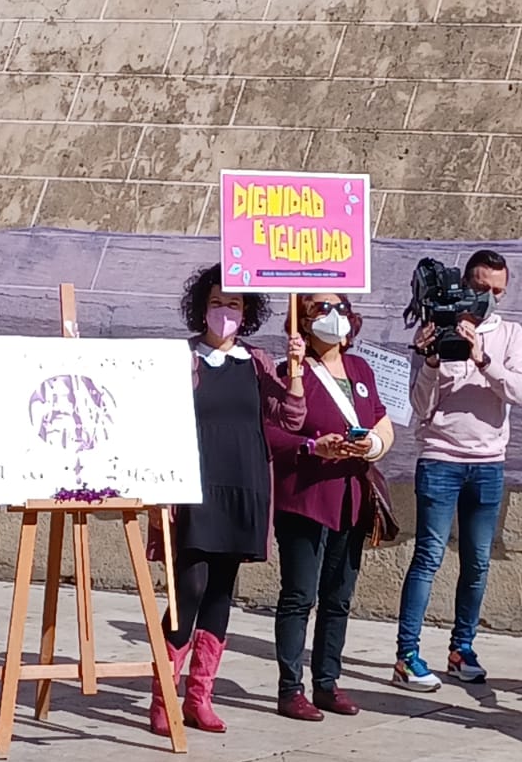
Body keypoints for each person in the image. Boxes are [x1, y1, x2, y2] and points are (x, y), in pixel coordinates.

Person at [148, 265, 307, 737]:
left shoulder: (256, 361)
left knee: (221, 592)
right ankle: (162, 694)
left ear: (247, 312)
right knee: (188, 592)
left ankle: (200, 696)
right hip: (195, 489)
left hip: (244, 485)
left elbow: (292, 417)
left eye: (233, 305)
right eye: (217, 303)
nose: (224, 312)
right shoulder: (183, 359)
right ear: (202, 307)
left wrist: (295, 372)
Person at [394, 250, 522, 691]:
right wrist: (433, 361)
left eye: (497, 291)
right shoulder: (434, 326)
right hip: (440, 458)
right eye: (480, 288)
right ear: (462, 284)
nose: (487, 297)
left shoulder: (510, 333)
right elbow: (419, 407)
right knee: (429, 557)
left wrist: (483, 359)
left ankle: (462, 648)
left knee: (477, 563)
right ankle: (407, 655)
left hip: (489, 464)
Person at [266, 292, 394, 721]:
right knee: (299, 594)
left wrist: (372, 444)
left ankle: (327, 682)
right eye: (321, 308)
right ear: (303, 320)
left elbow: (381, 420)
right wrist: (314, 445)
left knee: (338, 597)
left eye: (339, 307)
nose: (332, 315)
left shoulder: (360, 369)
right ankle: (290, 688)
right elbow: (285, 427)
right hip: (305, 496)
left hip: (350, 496)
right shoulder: (288, 371)